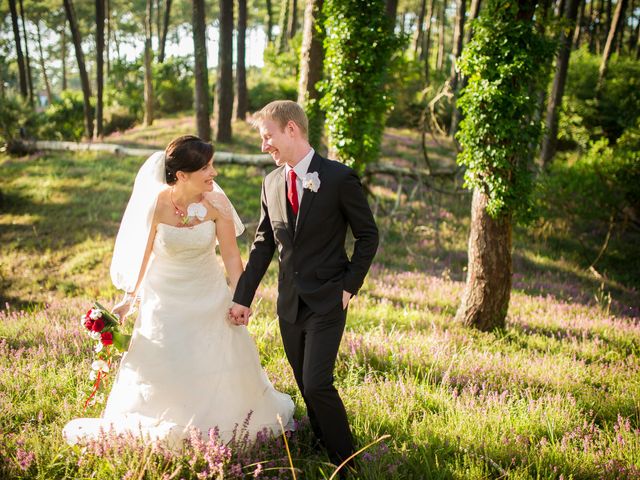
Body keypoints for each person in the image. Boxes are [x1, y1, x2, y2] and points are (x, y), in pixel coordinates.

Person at [63, 135, 294, 446]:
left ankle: (220, 422)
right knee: (166, 360)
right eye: (207, 168)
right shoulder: (157, 204)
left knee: (216, 359)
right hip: (164, 299)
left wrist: (241, 300)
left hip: (209, 295)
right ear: (182, 175)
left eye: (213, 166)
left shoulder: (218, 204)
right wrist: (127, 302)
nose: (214, 173)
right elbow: (142, 259)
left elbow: (231, 258)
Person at [229, 101, 379, 469]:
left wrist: (348, 287)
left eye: (268, 137)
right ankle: (323, 443)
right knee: (304, 382)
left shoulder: (339, 178)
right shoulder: (271, 182)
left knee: (316, 384)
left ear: (292, 129)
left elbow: (368, 236)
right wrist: (242, 298)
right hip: (290, 306)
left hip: (329, 300)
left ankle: (348, 463)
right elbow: (264, 244)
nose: (265, 146)